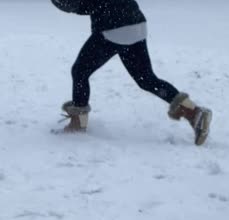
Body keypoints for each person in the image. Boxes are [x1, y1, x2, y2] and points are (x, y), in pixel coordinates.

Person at [51, 0, 212, 145]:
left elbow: (84, 5)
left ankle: (78, 122)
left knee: (80, 71)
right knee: (147, 79)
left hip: (113, 27)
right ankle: (194, 113)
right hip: (136, 24)